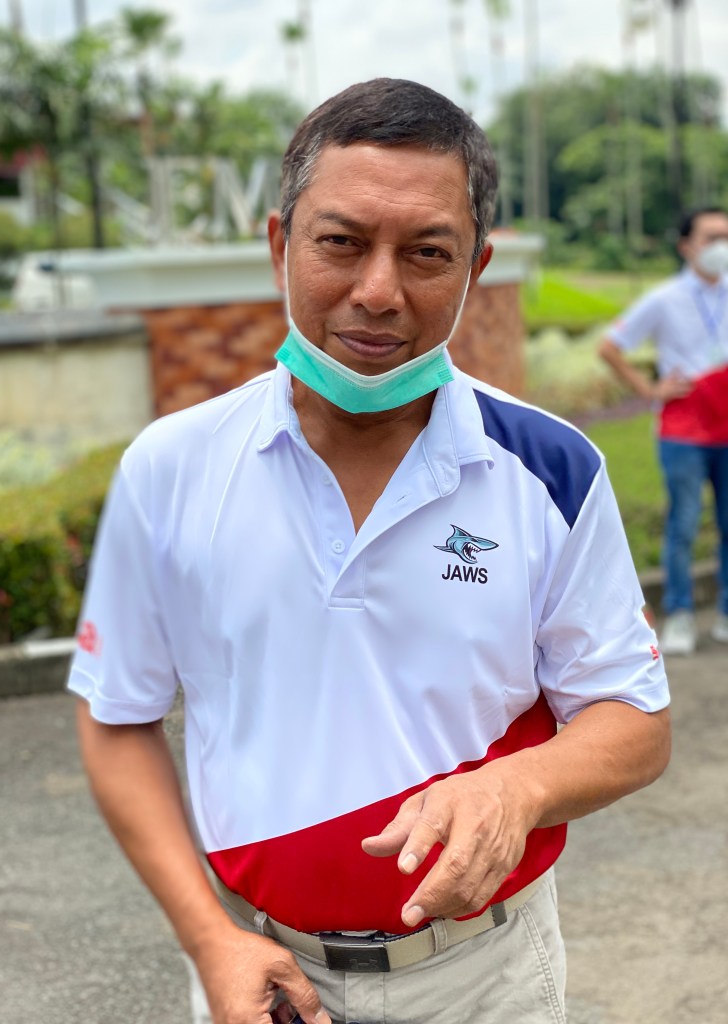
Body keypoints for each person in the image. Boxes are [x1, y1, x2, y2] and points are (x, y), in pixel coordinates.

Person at [68, 78, 670, 1024]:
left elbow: (633, 715)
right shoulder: (171, 468)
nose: (378, 292)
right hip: (261, 972)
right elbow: (116, 717)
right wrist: (209, 939)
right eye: (341, 243)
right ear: (281, 245)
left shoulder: (552, 470)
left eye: (427, 252)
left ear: (476, 265)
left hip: (486, 979)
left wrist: (519, 786)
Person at [599, 207, 728, 656]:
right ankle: (680, 614)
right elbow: (610, 347)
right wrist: (651, 390)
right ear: (686, 247)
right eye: (712, 238)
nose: (721, 247)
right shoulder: (665, 298)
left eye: (726, 237)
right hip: (684, 429)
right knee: (685, 523)